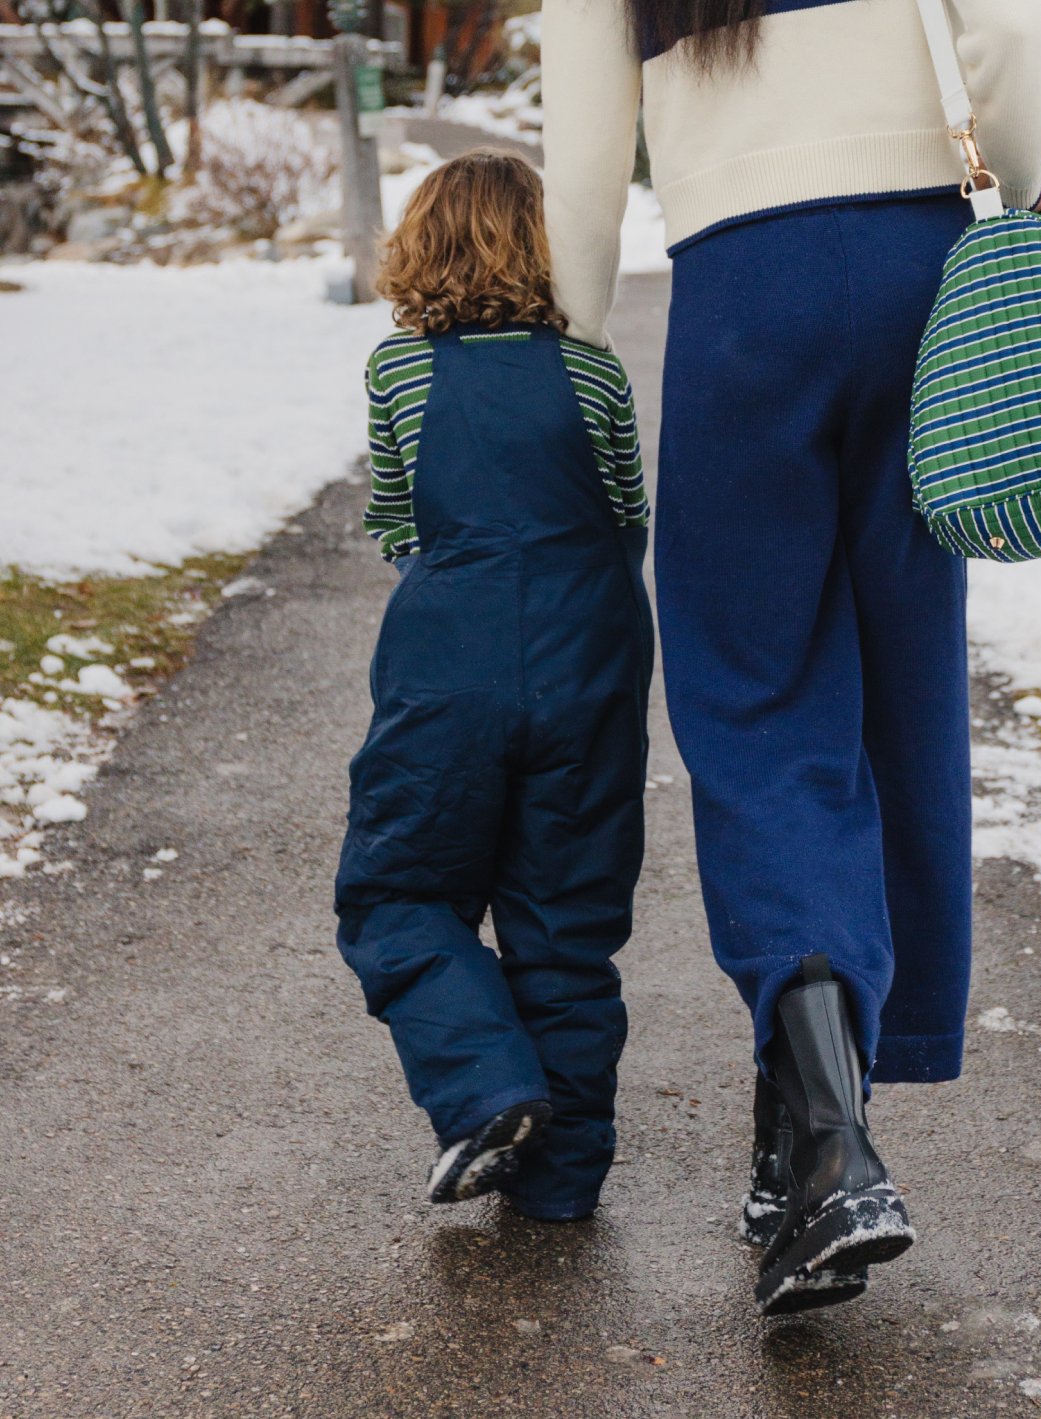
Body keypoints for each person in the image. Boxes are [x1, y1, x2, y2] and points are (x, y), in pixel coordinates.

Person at [541, 0, 1041, 1312]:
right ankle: (814, 1134)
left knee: (759, 698)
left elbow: (587, 152)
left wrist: (572, 351)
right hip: (921, 265)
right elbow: (1006, 26)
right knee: (901, 686)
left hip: (741, 294)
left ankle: (823, 1135)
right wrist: (1003, 168)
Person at [334, 150, 654, 1224]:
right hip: (593, 654)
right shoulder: (594, 369)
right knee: (565, 923)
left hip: (449, 662)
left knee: (400, 891)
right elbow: (626, 512)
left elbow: (396, 520)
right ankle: (559, 1186)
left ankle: (486, 1092)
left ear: (420, 245)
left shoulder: (402, 372)